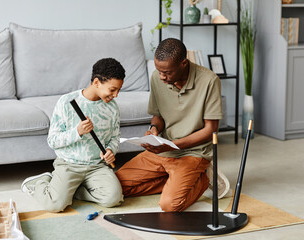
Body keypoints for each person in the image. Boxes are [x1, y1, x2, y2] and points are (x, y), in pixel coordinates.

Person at [115, 38, 229, 212]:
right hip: (164, 149)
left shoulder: (209, 81)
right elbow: (158, 115)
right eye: (158, 71)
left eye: (167, 72)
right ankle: (173, 182)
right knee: (115, 188)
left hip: (194, 152)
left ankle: (202, 178)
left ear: (183, 63)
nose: (161, 76)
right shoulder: (157, 78)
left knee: (170, 205)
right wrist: (154, 129)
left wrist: (175, 145)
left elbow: (210, 130)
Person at [21, 58, 125, 212]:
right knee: (55, 205)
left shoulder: (112, 107)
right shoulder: (67, 102)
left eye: (118, 90)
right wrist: (77, 132)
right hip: (69, 164)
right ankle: (42, 181)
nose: (116, 95)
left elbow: (115, 137)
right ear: (96, 82)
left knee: (113, 198)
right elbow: (53, 141)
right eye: (112, 89)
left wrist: (110, 150)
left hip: (96, 166)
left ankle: (71, 190)